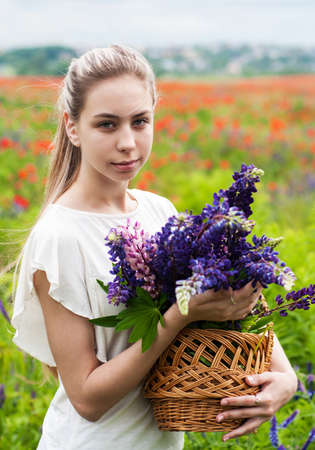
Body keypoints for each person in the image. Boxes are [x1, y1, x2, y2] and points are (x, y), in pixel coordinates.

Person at [11, 44, 297, 450]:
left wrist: (284, 376)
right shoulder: (60, 236)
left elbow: (230, 297)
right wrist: (178, 315)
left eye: (140, 121)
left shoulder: (159, 211)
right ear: (72, 128)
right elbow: (88, 399)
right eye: (107, 125)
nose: (128, 142)